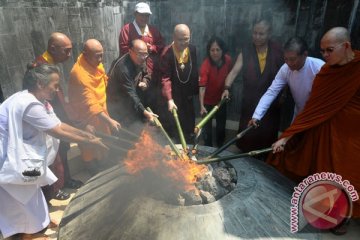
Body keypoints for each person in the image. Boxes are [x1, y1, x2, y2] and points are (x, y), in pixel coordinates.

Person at [0, 64, 108, 239]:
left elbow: (60, 124)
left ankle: (38, 224)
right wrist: (89, 141)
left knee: (32, 193)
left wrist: (88, 137)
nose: (57, 89)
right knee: (19, 203)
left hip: (21, 158)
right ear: (41, 84)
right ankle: (29, 234)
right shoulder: (28, 104)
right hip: (7, 160)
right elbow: (58, 131)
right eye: (55, 85)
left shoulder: (40, 102)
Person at [269, 27, 360, 233]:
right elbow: (311, 108)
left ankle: (343, 216)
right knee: (326, 174)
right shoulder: (325, 74)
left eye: (329, 50)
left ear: (346, 46)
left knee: (349, 177)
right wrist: (286, 137)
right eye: (322, 51)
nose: (325, 55)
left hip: (354, 137)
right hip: (327, 132)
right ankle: (332, 216)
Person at [222, 17, 283, 153]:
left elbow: (286, 75)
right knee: (247, 137)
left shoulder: (277, 52)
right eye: (255, 33)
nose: (257, 37)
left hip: (270, 104)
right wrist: (226, 88)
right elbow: (233, 72)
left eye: (261, 34)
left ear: (269, 34)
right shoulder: (246, 51)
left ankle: (264, 160)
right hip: (250, 101)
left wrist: (283, 95)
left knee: (266, 136)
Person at [31, 32, 80, 201]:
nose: (69, 55)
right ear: (53, 48)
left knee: (63, 151)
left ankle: (65, 180)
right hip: (45, 123)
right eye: (66, 51)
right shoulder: (38, 68)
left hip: (57, 117)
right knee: (52, 158)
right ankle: (53, 190)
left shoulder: (53, 64)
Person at [68, 39, 121, 175]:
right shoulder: (79, 74)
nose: (100, 59)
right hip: (85, 113)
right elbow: (90, 103)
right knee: (89, 141)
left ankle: (103, 162)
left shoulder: (95, 63)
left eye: (101, 55)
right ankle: (91, 167)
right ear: (85, 54)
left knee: (104, 137)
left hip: (100, 108)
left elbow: (103, 78)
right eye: (97, 56)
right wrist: (109, 120)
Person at [248, 37, 325, 128]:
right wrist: (256, 116)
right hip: (299, 114)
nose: (289, 63)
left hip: (319, 116)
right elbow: (272, 92)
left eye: (292, 59)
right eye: (286, 59)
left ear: (305, 54)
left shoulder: (319, 68)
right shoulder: (285, 69)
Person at [119, 2, 165, 112]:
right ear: (135, 14)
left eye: (147, 15)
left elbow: (161, 45)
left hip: (152, 71)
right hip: (134, 73)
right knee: (136, 99)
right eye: (142, 15)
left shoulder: (153, 30)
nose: (144, 18)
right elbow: (124, 49)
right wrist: (140, 49)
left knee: (152, 101)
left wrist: (152, 48)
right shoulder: (127, 29)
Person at [160, 24, 199, 141]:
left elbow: (194, 71)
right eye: (180, 40)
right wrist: (169, 99)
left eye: (186, 39)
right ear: (174, 37)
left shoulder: (192, 49)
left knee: (189, 122)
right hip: (174, 95)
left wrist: (196, 90)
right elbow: (165, 78)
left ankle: (190, 147)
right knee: (176, 124)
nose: (183, 43)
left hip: (188, 95)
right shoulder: (167, 53)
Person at [107, 39, 157, 129]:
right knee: (125, 131)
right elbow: (131, 93)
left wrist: (145, 82)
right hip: (118, 102)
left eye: (145, 54)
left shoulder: (141, 59)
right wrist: (145, 112)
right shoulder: (123, 69)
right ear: (130, 51)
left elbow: (146, 73)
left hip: (132, 100)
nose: (143, 57)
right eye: (140, 54)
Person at [199, 36, 232, 147]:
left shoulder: (228, 60)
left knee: (221, 128)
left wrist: (227, 90)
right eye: (212, 50)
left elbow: (230, 75)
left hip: (221, 101)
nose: (215, 53)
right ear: (209, 51)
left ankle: (220, 149)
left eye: (218, 50)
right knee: (207, 129)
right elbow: (202, 87)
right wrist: (201, 105)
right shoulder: (206, 65)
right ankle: (208, 149)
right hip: (207, 102)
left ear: (222, 50)